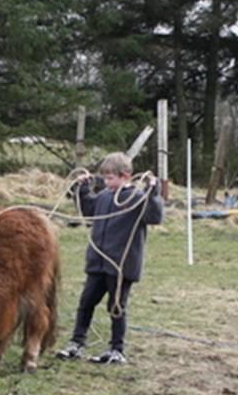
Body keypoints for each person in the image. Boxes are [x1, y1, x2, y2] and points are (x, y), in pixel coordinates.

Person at [57, 151, 164, 364]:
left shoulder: (137, 198)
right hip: (98, 263)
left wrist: (153, 192)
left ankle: (117, 350)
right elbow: (88, 211)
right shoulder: (104, 196)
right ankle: (77, 344)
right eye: (104, 177)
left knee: (116, 307)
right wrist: (82, 188)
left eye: (110, 178)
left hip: (121, 265)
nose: (106, 182)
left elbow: (154, 217)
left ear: (125, 176)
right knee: (86, 302)